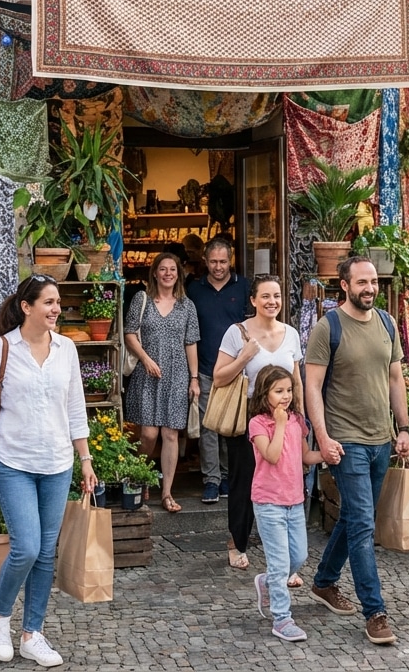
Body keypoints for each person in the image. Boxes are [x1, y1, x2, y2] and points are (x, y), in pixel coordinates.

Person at [0, 274, 97, 667]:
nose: (56, 309)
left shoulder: (67, 349)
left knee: (45, 553)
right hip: (13, 462)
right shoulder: (1, 348)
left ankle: (32, 634)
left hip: (57, 463)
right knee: (25, 546)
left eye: (58, 302)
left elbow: (76, 407)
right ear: (27, 307)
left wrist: (86, 459)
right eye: (48, 302)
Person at [304, 256, 409, 645]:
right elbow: (311, 386)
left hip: (382, 439)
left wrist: (402, 427)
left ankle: (324, 582)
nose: (369, 287)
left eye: (373, 281)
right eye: (361, 282)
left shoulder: (387, 322)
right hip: (346, 442)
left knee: (354, 517)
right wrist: (323, 436)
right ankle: (375, 612)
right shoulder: (327, 328)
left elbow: (395, 377)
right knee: (364, 523)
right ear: (344, 285)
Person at [212, 274, 302, 571]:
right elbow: (219, 376)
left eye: (276, 296)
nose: (272, 302)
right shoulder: (236, 333)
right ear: (253, 300)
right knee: (245, 481)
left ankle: (279, 545)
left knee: (282, 477)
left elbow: (296, 380)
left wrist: (300, 415)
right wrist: (244, 357)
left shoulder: (290, 333)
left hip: (284, 417)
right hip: (249, 415)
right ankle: (237, 541)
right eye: (265, 296)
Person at [247, 365, 322, 642]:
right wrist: (278, 423)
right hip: (268, 502)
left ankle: (267, 582)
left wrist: (327, 453)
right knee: (279, 564)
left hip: (294, 500)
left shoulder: (296, 421)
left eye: (289, 390)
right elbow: (273, 455)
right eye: (279, 391)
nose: (286, 396)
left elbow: (305, 456)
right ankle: (282, 618)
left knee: (299, 556)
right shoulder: (258, 424)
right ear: (264, 393)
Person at [124, 253, 201, 513]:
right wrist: (145, 359)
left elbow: (191, 343)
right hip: (147, 373)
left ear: (178, 274)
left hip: (177, 375)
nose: (168, 273)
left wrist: (194, 378)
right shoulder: (141, 299)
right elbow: (129, 334)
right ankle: (139, 476)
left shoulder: (187, 305)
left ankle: (167, 493)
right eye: (163, 269)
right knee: (148, 434)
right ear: (155, 273)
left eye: (173, 269)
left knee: (171, 434)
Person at [185, 238, 251, 505]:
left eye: (223, 261)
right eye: (213, 262)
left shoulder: (244, 287)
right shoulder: (194, 289)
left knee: (232, 426)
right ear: (205, 260)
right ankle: (211, 480)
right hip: (204, 368)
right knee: (208, 427)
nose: (218, 267)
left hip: (236, 369)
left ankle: (227, 476)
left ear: (231, 259)